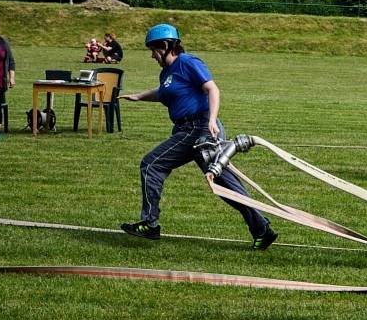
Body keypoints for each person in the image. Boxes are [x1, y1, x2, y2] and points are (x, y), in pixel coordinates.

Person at [118, 23, 278, 249]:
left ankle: (150, 224)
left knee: (151, 164)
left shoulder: (188, 62)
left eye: (153, 50)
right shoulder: (167, 72)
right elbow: (164, 92)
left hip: (199, 128)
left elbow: (212, 89)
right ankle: (262, 230)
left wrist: (212, 120)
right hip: (189, 129)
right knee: (224, 184)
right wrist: (138, 96)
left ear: (166, 46)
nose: (152, 55)